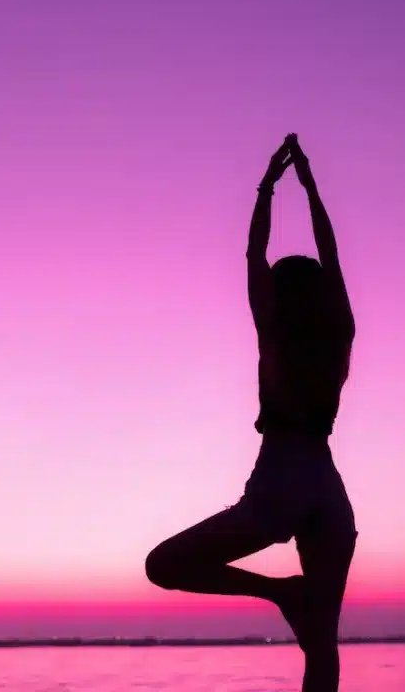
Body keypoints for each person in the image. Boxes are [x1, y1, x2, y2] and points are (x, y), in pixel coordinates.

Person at [144, 133, 358, 692]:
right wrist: (311, 189)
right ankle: (292, 600)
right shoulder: (340, 333)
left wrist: (269, 183)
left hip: (281, 478)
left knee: (162, 566)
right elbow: (332, 257)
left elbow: (253, 254)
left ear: (280, 299)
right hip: (328, 488)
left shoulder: (274, 332)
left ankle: (279, 591)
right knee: (323, 646)